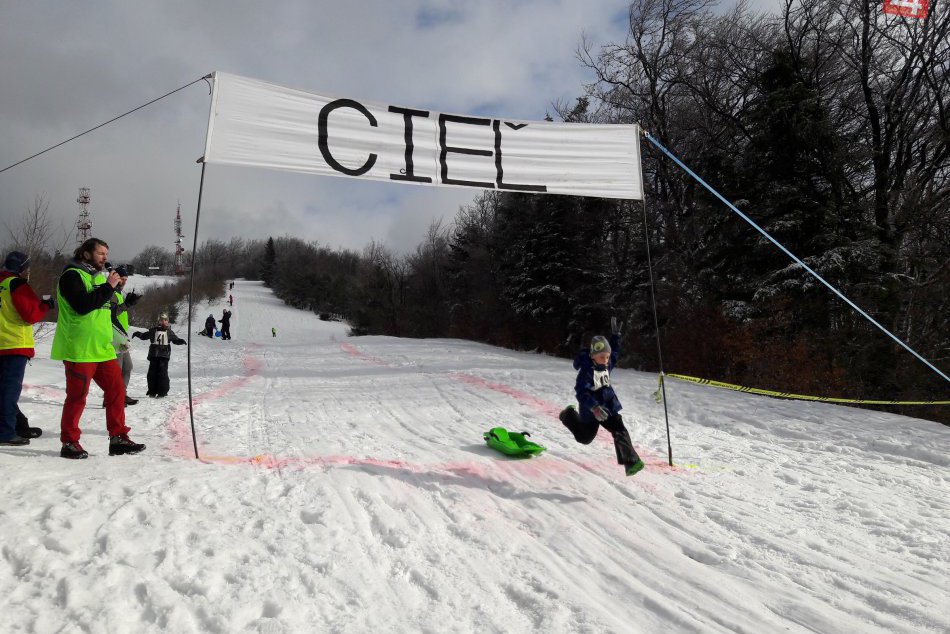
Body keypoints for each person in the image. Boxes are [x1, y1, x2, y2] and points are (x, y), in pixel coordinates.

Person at [51, 238, 145, 459]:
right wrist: (108, 286)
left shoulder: (98, 278)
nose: (105, 257)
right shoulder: (71, 275)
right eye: (100, 253)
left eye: (106, 253)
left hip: (102, 349)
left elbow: (106, 308)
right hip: (80, 349)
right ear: (85, 254)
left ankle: (118, 437)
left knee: (117, 391)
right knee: (77, 397)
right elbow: (83, 305)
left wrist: (116, 288)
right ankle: (70, 443)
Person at [558, 318, 645, 476]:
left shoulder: (607, 363)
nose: (605, 361)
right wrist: (594, 407)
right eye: (601, 357)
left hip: (608, 406)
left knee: (619, 428)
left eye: (607, 357)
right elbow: (581, 392)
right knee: (584, 438)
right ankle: (568, 415)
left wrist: (616, 336)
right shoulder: (586, 371)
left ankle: (630, 462)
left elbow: (615, 352)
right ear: (592, 356)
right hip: (591, 411)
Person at [0, 251, 52, 446]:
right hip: (15, 344)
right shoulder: (17, 284)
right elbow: (31, 315)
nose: (28, 271)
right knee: (9, 391)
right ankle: (6, 432)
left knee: (3, 390)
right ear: (21, 268)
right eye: (27, 267)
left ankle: (18, 426)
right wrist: (46, 305)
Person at [107, 266, 142, 406]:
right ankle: (111, 398)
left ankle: (122, 394)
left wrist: (127, 304)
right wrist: (126, 305)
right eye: (123, 279)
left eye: (126, 279)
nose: (124, 282)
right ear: (116, 277)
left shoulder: (119, 293)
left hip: (121, 336)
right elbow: (111, 314)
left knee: (128, 367)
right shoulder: (112, 294)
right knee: (117, 369)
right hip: (114, 336)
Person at [132, 313, 186, 397]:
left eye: (165, 320)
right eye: (162, 320)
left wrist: (180, 341)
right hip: (154, 355)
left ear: (167, 321)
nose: (164, 322)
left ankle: (162, 391)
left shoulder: (169, 332)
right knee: (152, 373)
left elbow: (175, 340)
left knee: (162, 373)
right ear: (159, 321)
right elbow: (144, 336)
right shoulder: (153, 330)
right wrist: (137, 334)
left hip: (164, 356)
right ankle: (152, 390)